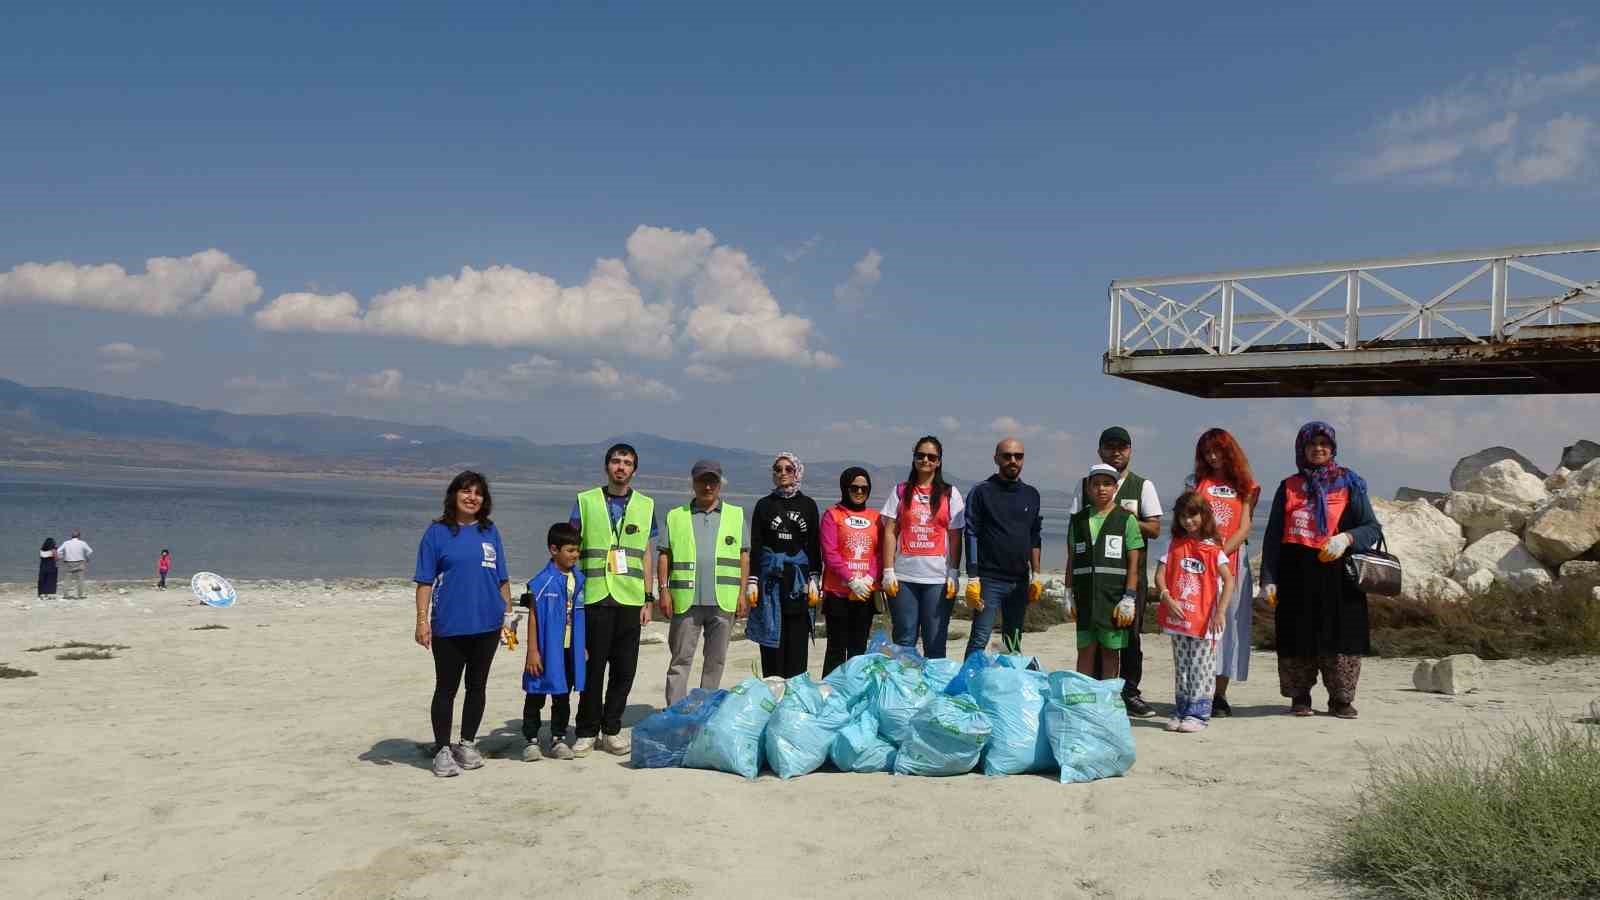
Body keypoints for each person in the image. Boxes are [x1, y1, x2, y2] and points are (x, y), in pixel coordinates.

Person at [1260, 421, 1383, 719]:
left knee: (1341, 636)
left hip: (1339, 575)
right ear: (1302, 449)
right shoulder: (1289, 486)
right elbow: (1273, 536)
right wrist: (1268, 579)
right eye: (1312, 444)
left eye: (1324, 444)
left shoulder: (1350, 483)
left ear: (1333, 448)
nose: (1318, 449)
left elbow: (1371, 528)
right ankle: (1299, 696)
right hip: (1296, 575)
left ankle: (1340, 699)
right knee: (1296, 634)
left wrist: (1346, 538)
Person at [413, 471, 513, 778]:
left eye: (478, 493)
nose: (472, 497)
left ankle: (467, 743)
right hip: (449, 625)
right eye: (466, 491)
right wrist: (421, 621)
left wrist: (508, 618)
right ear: (454, 495)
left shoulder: (490, 531)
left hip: (488, 624)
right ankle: (443, 748)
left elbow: (502, 578)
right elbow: (424, 581)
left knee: (477, 686)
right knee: (446, 688)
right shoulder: (437, 533)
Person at [570, 443, 657, 756]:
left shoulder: (645, 505)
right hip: (594, 596)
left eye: (627, 463)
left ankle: (611, 728)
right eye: (616, 461)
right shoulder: (586, 501)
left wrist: (649, 597)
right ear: (607, 466)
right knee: (593, 669)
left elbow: (646, 553)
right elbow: (571, 548)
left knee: (624, 669)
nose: (621, 467)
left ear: (634, 469)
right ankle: (586, 730)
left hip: (630, 599)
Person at [1068, 427, 1162, 717]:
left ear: (1130, 450)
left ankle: (1129, 693)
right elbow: (1075, 536)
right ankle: (1092, 693)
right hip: (1090, 582)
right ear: (1100, 451)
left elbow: (1156, 529)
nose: (1116, 452)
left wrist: (1125, 520)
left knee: (1129, 639)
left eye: (1122, 447)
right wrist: (1069, 590)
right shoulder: (1084, 485)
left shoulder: (1142, 485)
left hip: (1127, 580)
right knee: (1091, 642)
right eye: (1110, 447)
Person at [659, 459, 748, 704]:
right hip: (685, 600)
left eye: (712, 481)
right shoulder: (676, 516)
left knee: (715, 660)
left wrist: (742, 594)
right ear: (693, 483)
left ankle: (704, 710)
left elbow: (743, 556)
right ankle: (676, 712)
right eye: (702, 481)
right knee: (680, 660)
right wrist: (663, 591)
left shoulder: (736, 515)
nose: (707, 486)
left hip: (724, 600)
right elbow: (664, 554)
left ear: (720, 484)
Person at [1187, 428, 1260, 717]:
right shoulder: (1196, 482)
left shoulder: (1245, 485)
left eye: (1218, 450)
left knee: (1228, 626)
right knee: (1200, 625)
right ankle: (1198, 689)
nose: (1213, 456)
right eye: (1207, 452)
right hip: (1199, 564)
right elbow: (1188, 521)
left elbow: (1244, 526)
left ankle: (1220, 694)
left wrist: (1222, 553)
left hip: (1232, 564)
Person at [1155, 492, 1235, 733]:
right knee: (1183, 665)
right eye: (1183, 516)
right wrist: (1166, 597)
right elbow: (1159, 575)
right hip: (1179, 619)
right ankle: (1181, 709)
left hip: (1204, 621)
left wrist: (1220, 612)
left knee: (1202, 666)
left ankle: (1199, 714)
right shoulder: (1173, 545)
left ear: (1204, 516)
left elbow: (1229, 581)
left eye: (1193, 515)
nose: (1188, 521)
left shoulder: (1213, 549)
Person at [881, 436, 965, 659]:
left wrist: (954, 572)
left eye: (931, 457)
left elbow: (956, 536)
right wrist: (888, 570)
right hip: (904, 578)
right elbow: (889, 531)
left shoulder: (950, 493)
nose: (925, 460)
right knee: (904, 640)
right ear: (914, 459)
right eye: (920, 455)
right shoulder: (900, 491)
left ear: (939, 462)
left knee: (935, 643)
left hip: (937, 580)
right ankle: (906, 689)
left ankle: (933, 691)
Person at [962, 437, 1044, 658]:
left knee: (1013, 639)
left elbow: (1034, 536)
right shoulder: (981, 492)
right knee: (980, 637)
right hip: (989, 580)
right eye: (1007, 456)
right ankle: (967, 685)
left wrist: (1037, 574)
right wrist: (972, 577)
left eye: (1018, 456)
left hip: (1019, 581)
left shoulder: (1031, 494)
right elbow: (970, 532)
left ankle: (1008, 685)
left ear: (1023, 460)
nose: (1012, 461)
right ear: (996, 458)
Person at [746, 452, 821, 678]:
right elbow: (757, 545)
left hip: (798, 583)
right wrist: (753, 580)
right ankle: (773, 693)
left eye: (788, 469)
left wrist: (815, 578)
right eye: (778, 469)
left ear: (797, 472)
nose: (782, 473)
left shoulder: (808, 505)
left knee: (797, 642)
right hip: (771, 583)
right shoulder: (764, 505)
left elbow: (814, 545)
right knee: (771, 641)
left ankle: (795, 697)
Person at [1067, 463, 1145, 681]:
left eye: (1107, 484)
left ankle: (1108, 701)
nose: (1101, 488)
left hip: (1113, 601)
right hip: (1084, 600)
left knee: (1111, 654)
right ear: (1089, 488)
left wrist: (1129, 597)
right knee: (1085, 652)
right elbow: (1071, 560)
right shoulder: (1078, 520)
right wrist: (1068, 592)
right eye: (1096, 484)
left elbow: (1134, 564)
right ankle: (1084, 699)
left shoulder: (1126, 519)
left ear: (1115, 488)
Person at [521, 523, 586, 762]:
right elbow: (534, 617)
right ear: (553, 550)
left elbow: (579, 616)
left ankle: (558, 737)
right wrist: (532, 651)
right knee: (536, 693)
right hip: (545, 649)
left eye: (577, 550)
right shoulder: (541, 582)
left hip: (570, 648)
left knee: (562, 694)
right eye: (570, 550)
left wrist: (583, 647)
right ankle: (531, 740)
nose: (575, 555)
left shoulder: (580, 579)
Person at [820, 467, 882, 676]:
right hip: (838, 593)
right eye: (854, 487)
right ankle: (831, 693)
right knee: (836, 649)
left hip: (864, 592)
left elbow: (879, 552)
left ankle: (855, 691)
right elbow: (830, 553)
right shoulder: (832, 515)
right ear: (845, 488)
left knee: (859, 649)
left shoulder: (875, 517)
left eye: (864, 488)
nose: (859, 492)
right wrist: (851, 579)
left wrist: (870, 578)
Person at [57, 530, 93, 600]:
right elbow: (90, 551)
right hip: (80, 562)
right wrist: (87, 557)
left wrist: (62, 557)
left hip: (69, 562)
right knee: (80, 579)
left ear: (71, 536)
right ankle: (80, 595)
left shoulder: (66, 543)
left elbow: (59, 551)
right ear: (79, 536)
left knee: (67, 580)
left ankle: (66, 595)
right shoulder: (82, 543)